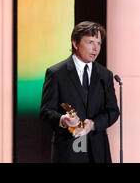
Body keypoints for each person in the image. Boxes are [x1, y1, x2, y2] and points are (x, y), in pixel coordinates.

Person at [40, 21, 119, 163]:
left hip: (97, 150)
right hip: (69, 149)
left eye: (99, 43)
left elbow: (113, 111)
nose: (96, 48)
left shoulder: (105, 75)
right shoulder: (57, 73)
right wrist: (62, 120)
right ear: (75, 44)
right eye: (90, 42)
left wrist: (93, 124)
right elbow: (46, 111)